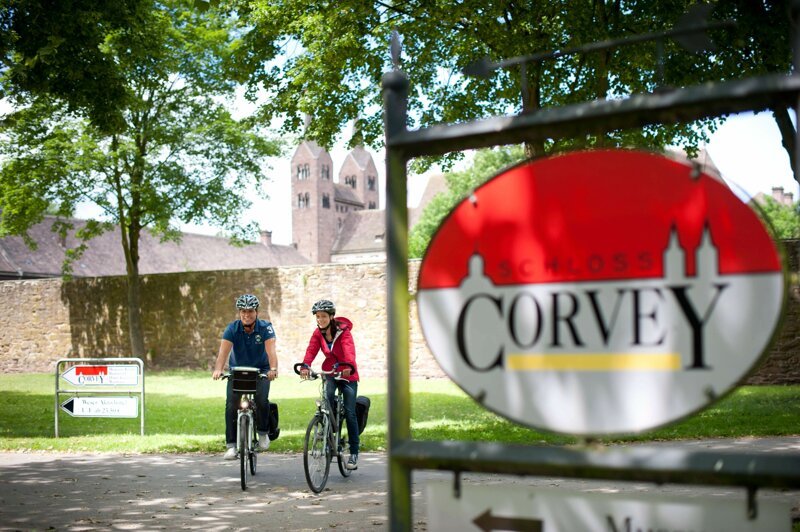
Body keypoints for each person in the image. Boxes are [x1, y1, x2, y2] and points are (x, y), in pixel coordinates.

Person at [212, 293, 278, 460]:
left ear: (256, 312)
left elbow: (271, 351)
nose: (246, 315)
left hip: (261, 371)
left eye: (250, 311)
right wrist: (218, 369)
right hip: (238, 371)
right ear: (239, 312)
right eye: (243, 311)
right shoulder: (232, 329)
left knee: (261, 400)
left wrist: (273, 369)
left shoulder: (265, 328)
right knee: (231, 404)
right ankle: (231, 446)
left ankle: (262, 432)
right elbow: (223, 353)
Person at [300, 299, 360, 470]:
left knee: (350, 412)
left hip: (348, 373)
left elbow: (349, 350)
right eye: (318, 317)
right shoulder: (317, 333)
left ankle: (354, 453)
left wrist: (349, 366)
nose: (320, 320)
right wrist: (305, 366)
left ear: (332, 316)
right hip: (330, 372)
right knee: (326, 399)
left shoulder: (343, 332)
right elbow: (311, 350)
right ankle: (327, 427)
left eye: (324, 316)